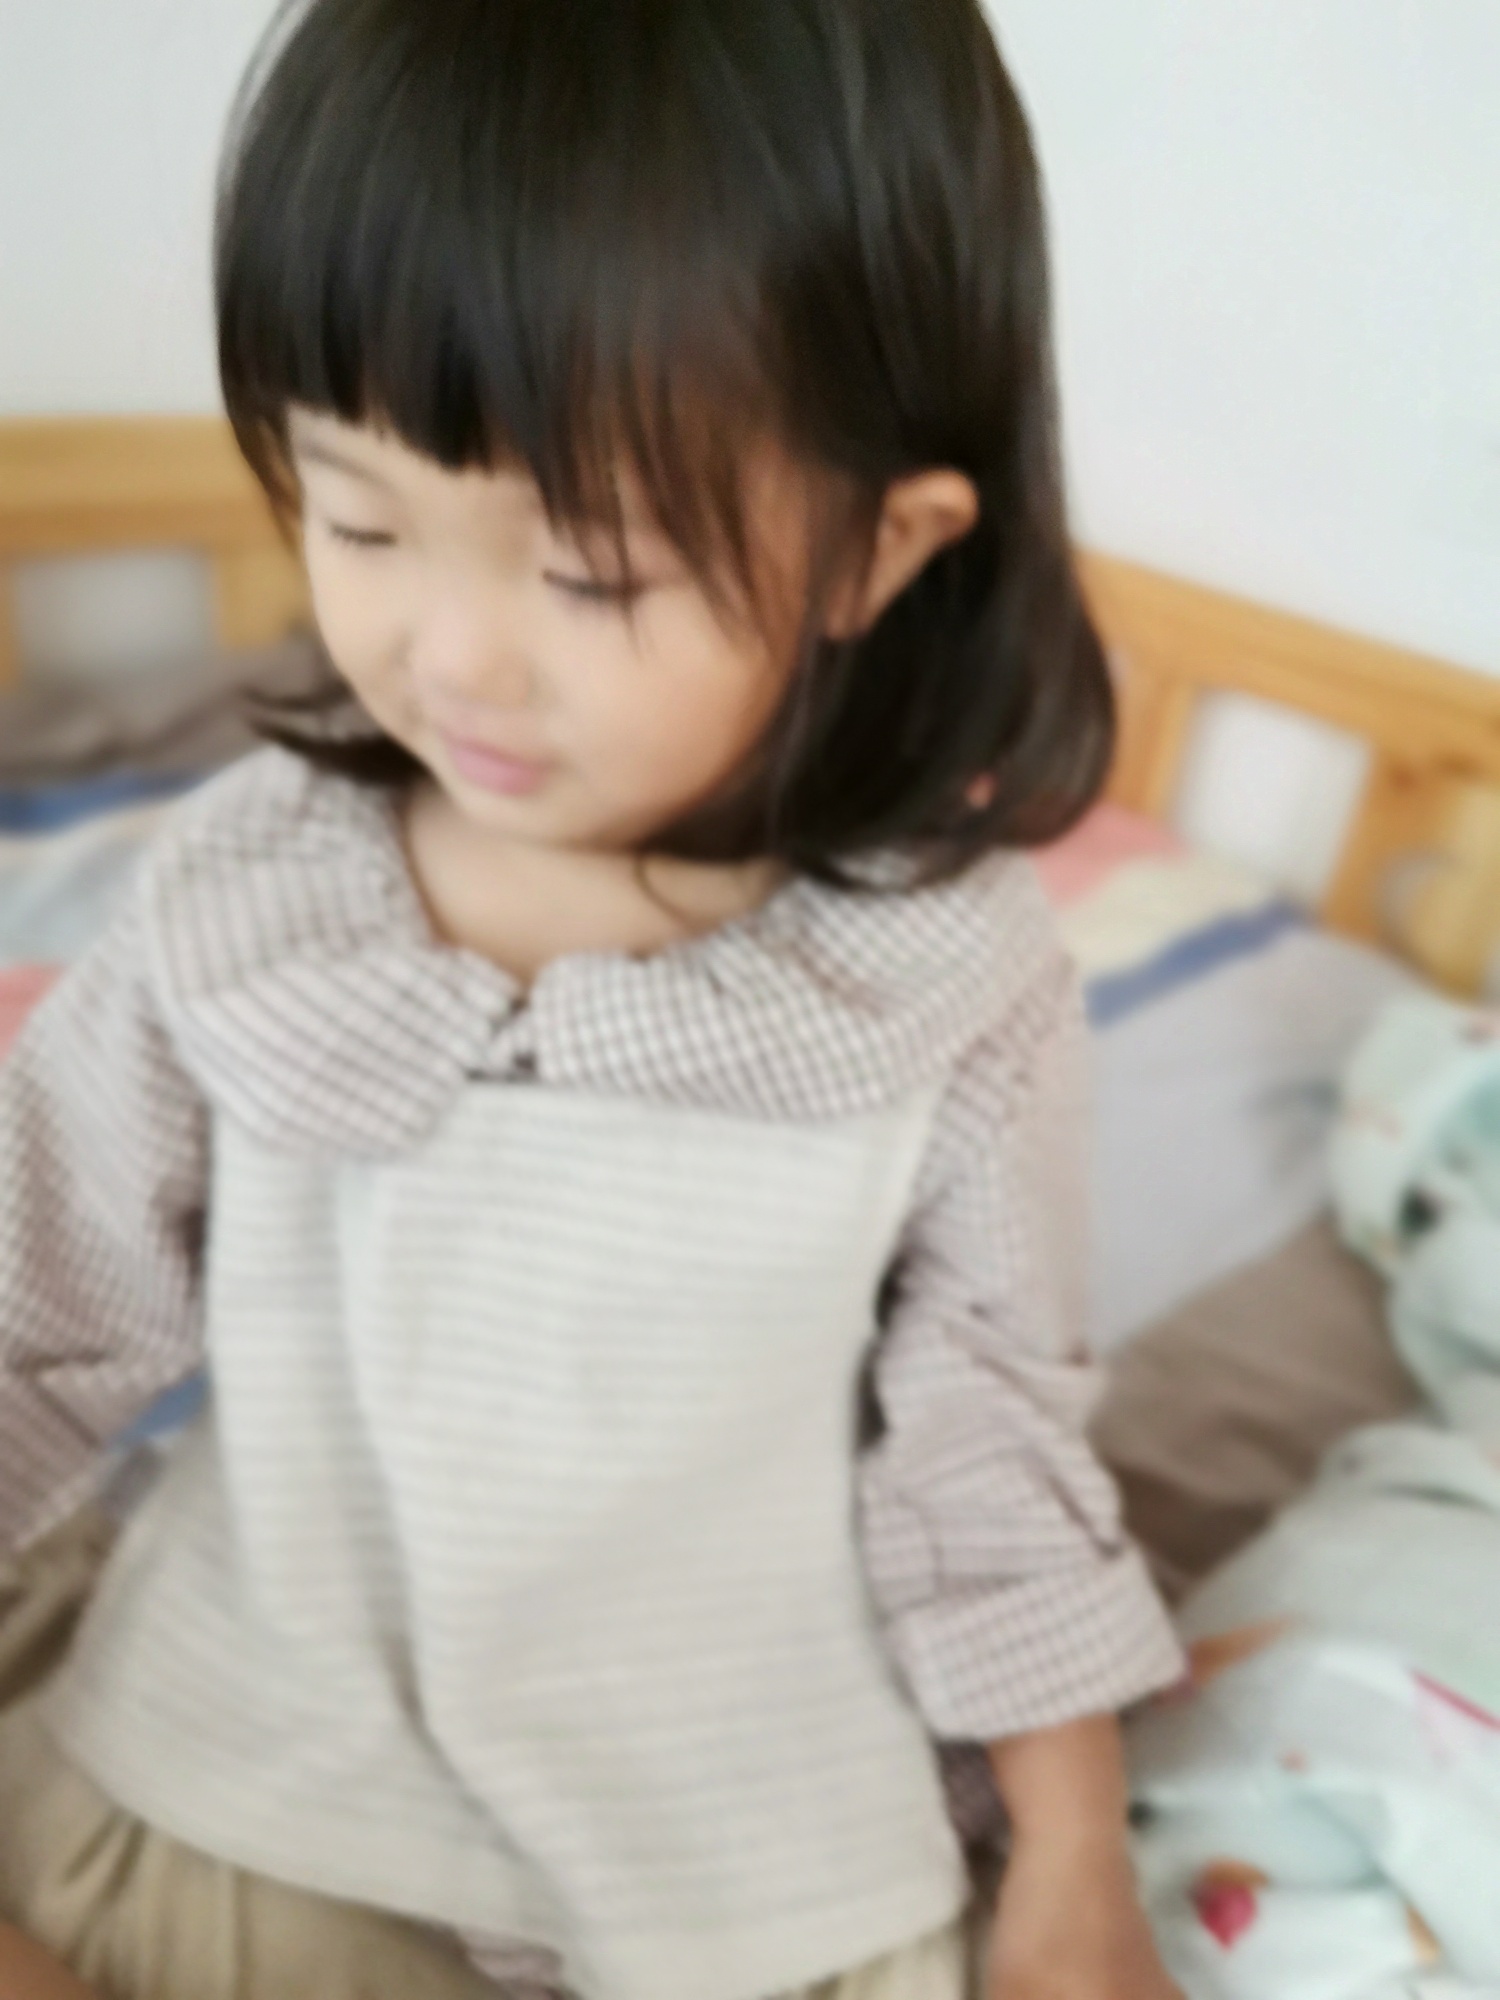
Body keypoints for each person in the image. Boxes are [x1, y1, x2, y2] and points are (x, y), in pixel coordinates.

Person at [0, 1, 1187, 1995]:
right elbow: (31, 1310)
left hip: (737, 1868)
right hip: (248, 1792)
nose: (454, 655)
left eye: (594, 575)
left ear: (874, 551)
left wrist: (1076, 1859)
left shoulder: (945, 983)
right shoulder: (251, 898)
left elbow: (988, 1441)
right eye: (361, 518)